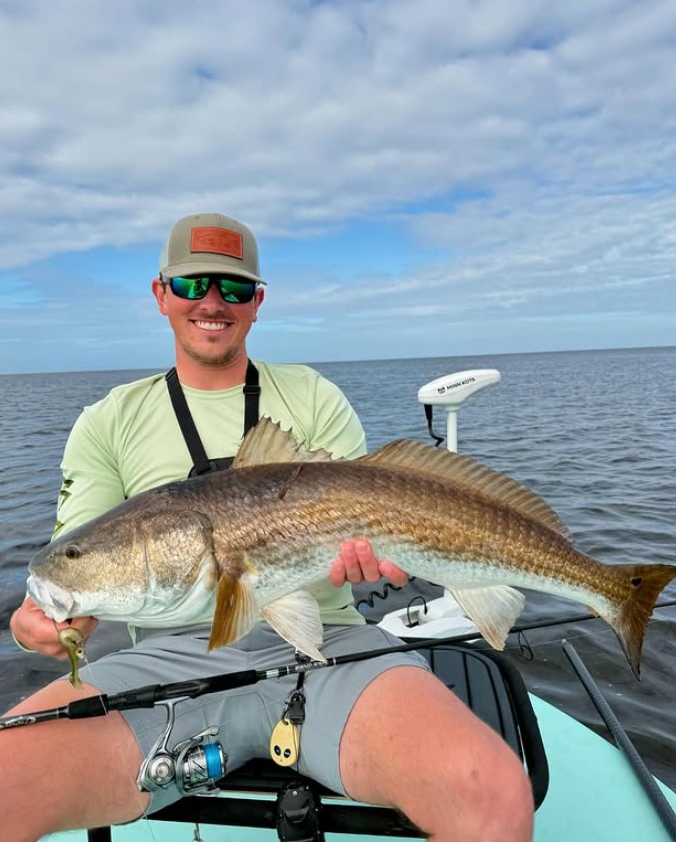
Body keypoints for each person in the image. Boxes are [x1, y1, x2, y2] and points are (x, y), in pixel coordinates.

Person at [5, 213, 533, 842]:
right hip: (164, 664)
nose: (212, 302)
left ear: (256, 302)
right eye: (192, 284)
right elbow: (77, 556)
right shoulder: (107, 422)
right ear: (161, 294)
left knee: (492, 796)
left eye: (233, 288)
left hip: (332, 647)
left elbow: (372, 505)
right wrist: (41, 621)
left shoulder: (312, 396)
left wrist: (376, 559)